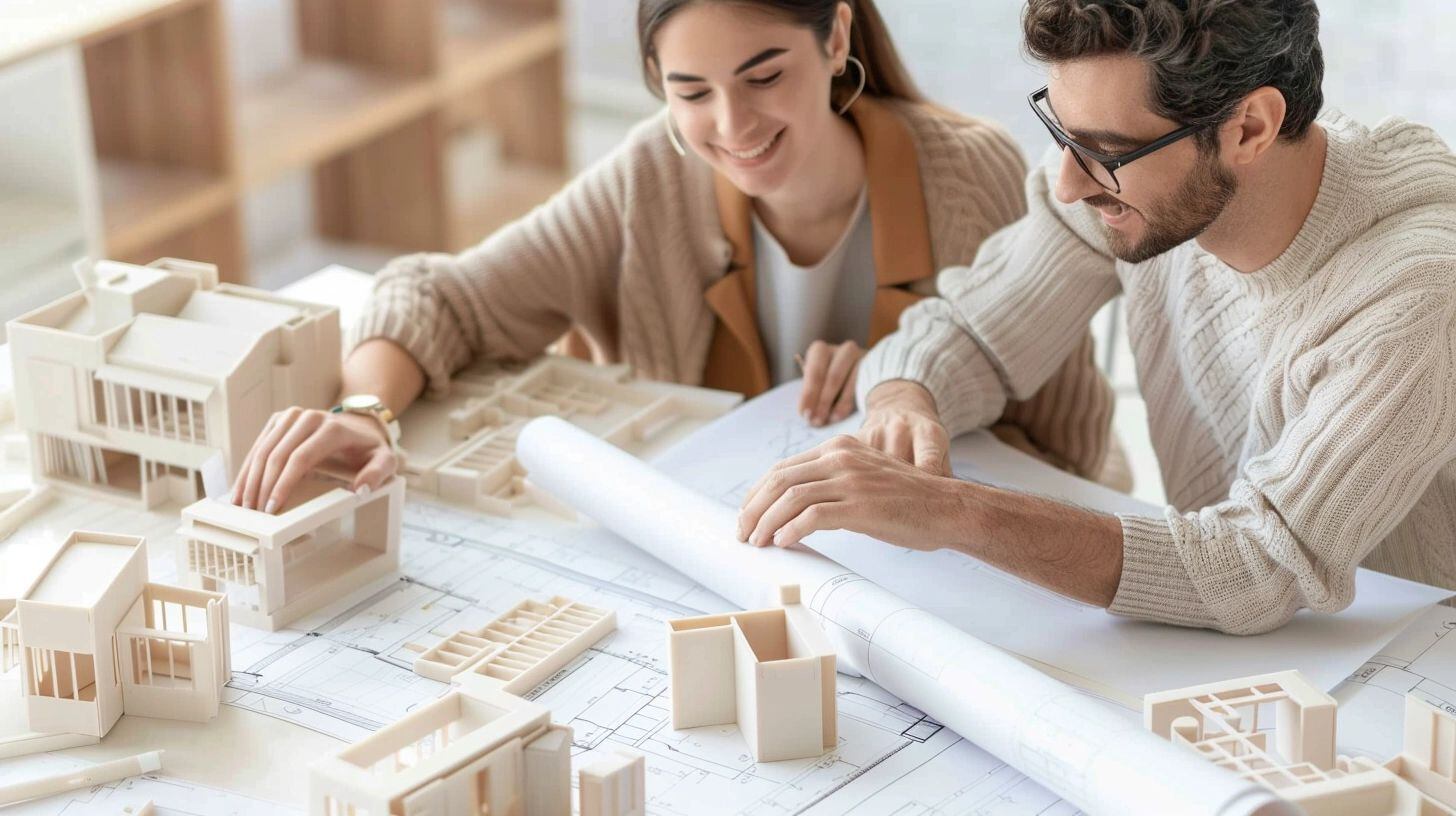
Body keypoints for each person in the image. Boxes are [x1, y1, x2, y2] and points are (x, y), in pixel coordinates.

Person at [231, 0, 1118, 514]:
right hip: (720, 551)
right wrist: (362, 413)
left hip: (919, 583)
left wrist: (915, 389)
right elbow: (442, 297)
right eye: (691, 92)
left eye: (765, 76)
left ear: (837, 37)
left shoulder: (969, 172)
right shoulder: (654, 172)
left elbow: (1071, 449)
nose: (733, 129)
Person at [738, 0, 1456, 635]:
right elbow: (970, 331)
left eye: (1106, 153)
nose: (1069, 181)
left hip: (1410, 673)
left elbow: (1263, 562)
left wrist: (951, 512)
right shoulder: (1136, 186)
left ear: (1251, 127)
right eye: (1062, 129)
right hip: (1236, 657)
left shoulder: (1413, 289)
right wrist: (905, 398)